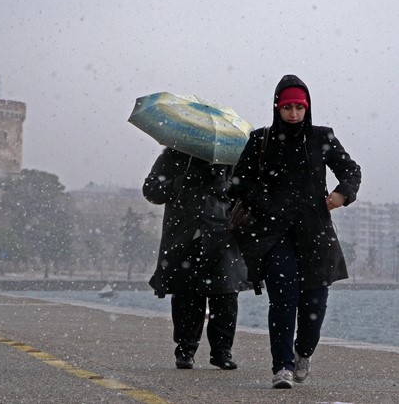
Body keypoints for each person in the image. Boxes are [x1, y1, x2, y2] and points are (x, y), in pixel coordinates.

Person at [229, 74, 361, 389]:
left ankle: (303, 352)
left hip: (316, 233)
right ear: (277, 106)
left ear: (307, 108)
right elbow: (239, 182)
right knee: (283, 301)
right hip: (275, 237)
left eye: (298, 108)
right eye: (287, 107)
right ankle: (282, 367)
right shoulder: (260, 140)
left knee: (315, 304)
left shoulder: (321, 137)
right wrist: (266, 203)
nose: (293, 114)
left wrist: (342, 194)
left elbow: (351, 170)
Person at [144, 147, 248, 370]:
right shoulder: (172, 156)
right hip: (184, 236)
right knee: (186, 295)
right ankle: (185, 349)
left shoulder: (231, 159)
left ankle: (222, 351)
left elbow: (245, 193)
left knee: (226, 295)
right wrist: (182, 181)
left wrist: (224, 185)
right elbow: (151, 190)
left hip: (223, 235)